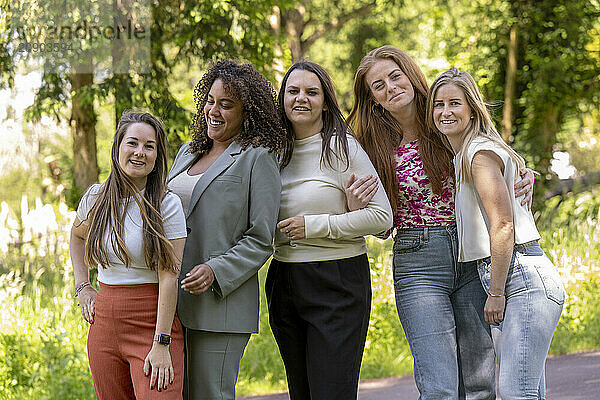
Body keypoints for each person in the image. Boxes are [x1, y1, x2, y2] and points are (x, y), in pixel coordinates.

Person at [347, 45, 535, 400]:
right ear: (372, 98)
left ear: (411, 76)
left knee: (480, 384)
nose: (390, 87)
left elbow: (492, 157)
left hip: (471, 253)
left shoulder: (445, 117)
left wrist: (525, 174)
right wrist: (357, 206)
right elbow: (381, 227)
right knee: (439, 387)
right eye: (378, 85)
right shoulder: (369, 145)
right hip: (417, 261)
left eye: (395, 76)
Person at [427, 68, 565, 399]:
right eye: (439, 104)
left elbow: (503, 224)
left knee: (516, 391)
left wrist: (496, 291)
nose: (446, 112)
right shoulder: (473, 151)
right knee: (527, 391)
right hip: (514, 274)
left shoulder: (478, 154)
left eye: (455, 103)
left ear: (472, 108)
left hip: (520, 278)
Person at [265, 60, 393, 400]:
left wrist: (314, 226)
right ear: (282, 99)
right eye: (293, 91)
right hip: (284, 282)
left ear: (325, 101)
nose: (301, 98)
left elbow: (382, 217)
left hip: (337, 282)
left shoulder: (344, 148)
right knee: (302, 393)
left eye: (312, 91)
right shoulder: (271, 154)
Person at [167, 60, 285, 400]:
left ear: (246, 112)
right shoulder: (186, 153)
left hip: (219, 305)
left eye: (226, 104)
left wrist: (216, 270)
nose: (213, 110)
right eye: (210, 100)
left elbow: (262, 237)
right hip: (170, 301)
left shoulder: (257, 157)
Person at [70, 111, 187, 399]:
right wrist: (83, 286)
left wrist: (161, 343)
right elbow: (76, 235)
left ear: (157, 156)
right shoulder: (96, 198)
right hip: (105, 325)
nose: (140, 152)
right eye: (132, 143)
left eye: (149, 146)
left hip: (153, 322)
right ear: (117, 147)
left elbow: (170, 277)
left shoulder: (166, 204)